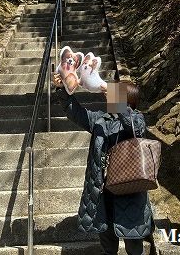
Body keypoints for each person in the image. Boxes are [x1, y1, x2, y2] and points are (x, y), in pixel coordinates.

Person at [53, 73, 154, 255]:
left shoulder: (136, 118)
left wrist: (114, 96)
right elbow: (76, 113)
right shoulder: (100, 120)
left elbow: (134, 128)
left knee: (134, 244)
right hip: (102, 188)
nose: (109, 96)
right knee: (107, 240)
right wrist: (62, 90)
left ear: (127, 100)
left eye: (117, 93)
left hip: (130, 189)